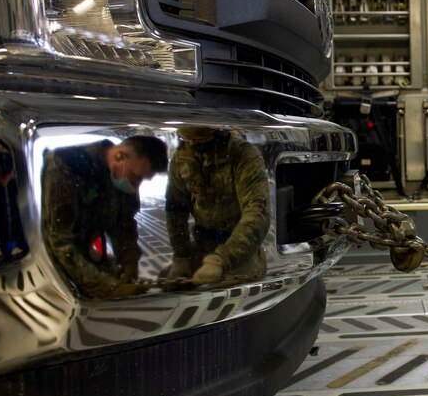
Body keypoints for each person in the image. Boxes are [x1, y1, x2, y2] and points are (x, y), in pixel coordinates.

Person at [42, 134, 168, 297]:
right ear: (119, 156)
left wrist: (129, 262)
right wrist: (108, 287)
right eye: (136, 177)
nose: (136, 187)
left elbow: (124, 223)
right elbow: (59, 240)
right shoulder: (68, 165)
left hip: (85, 254)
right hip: (55, 262)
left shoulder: (122, 173)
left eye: (143, 180)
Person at [164, 126, 271, 286]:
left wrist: (222, 260)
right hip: (201, 245)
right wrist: (181, 256)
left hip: (238, 249)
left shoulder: (243, 155)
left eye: (199, 139)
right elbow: (175, 208)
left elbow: (258, 212)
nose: (192, 144)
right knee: (170, 286)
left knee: (230, 292)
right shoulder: (182, 158)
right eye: (187, 139)